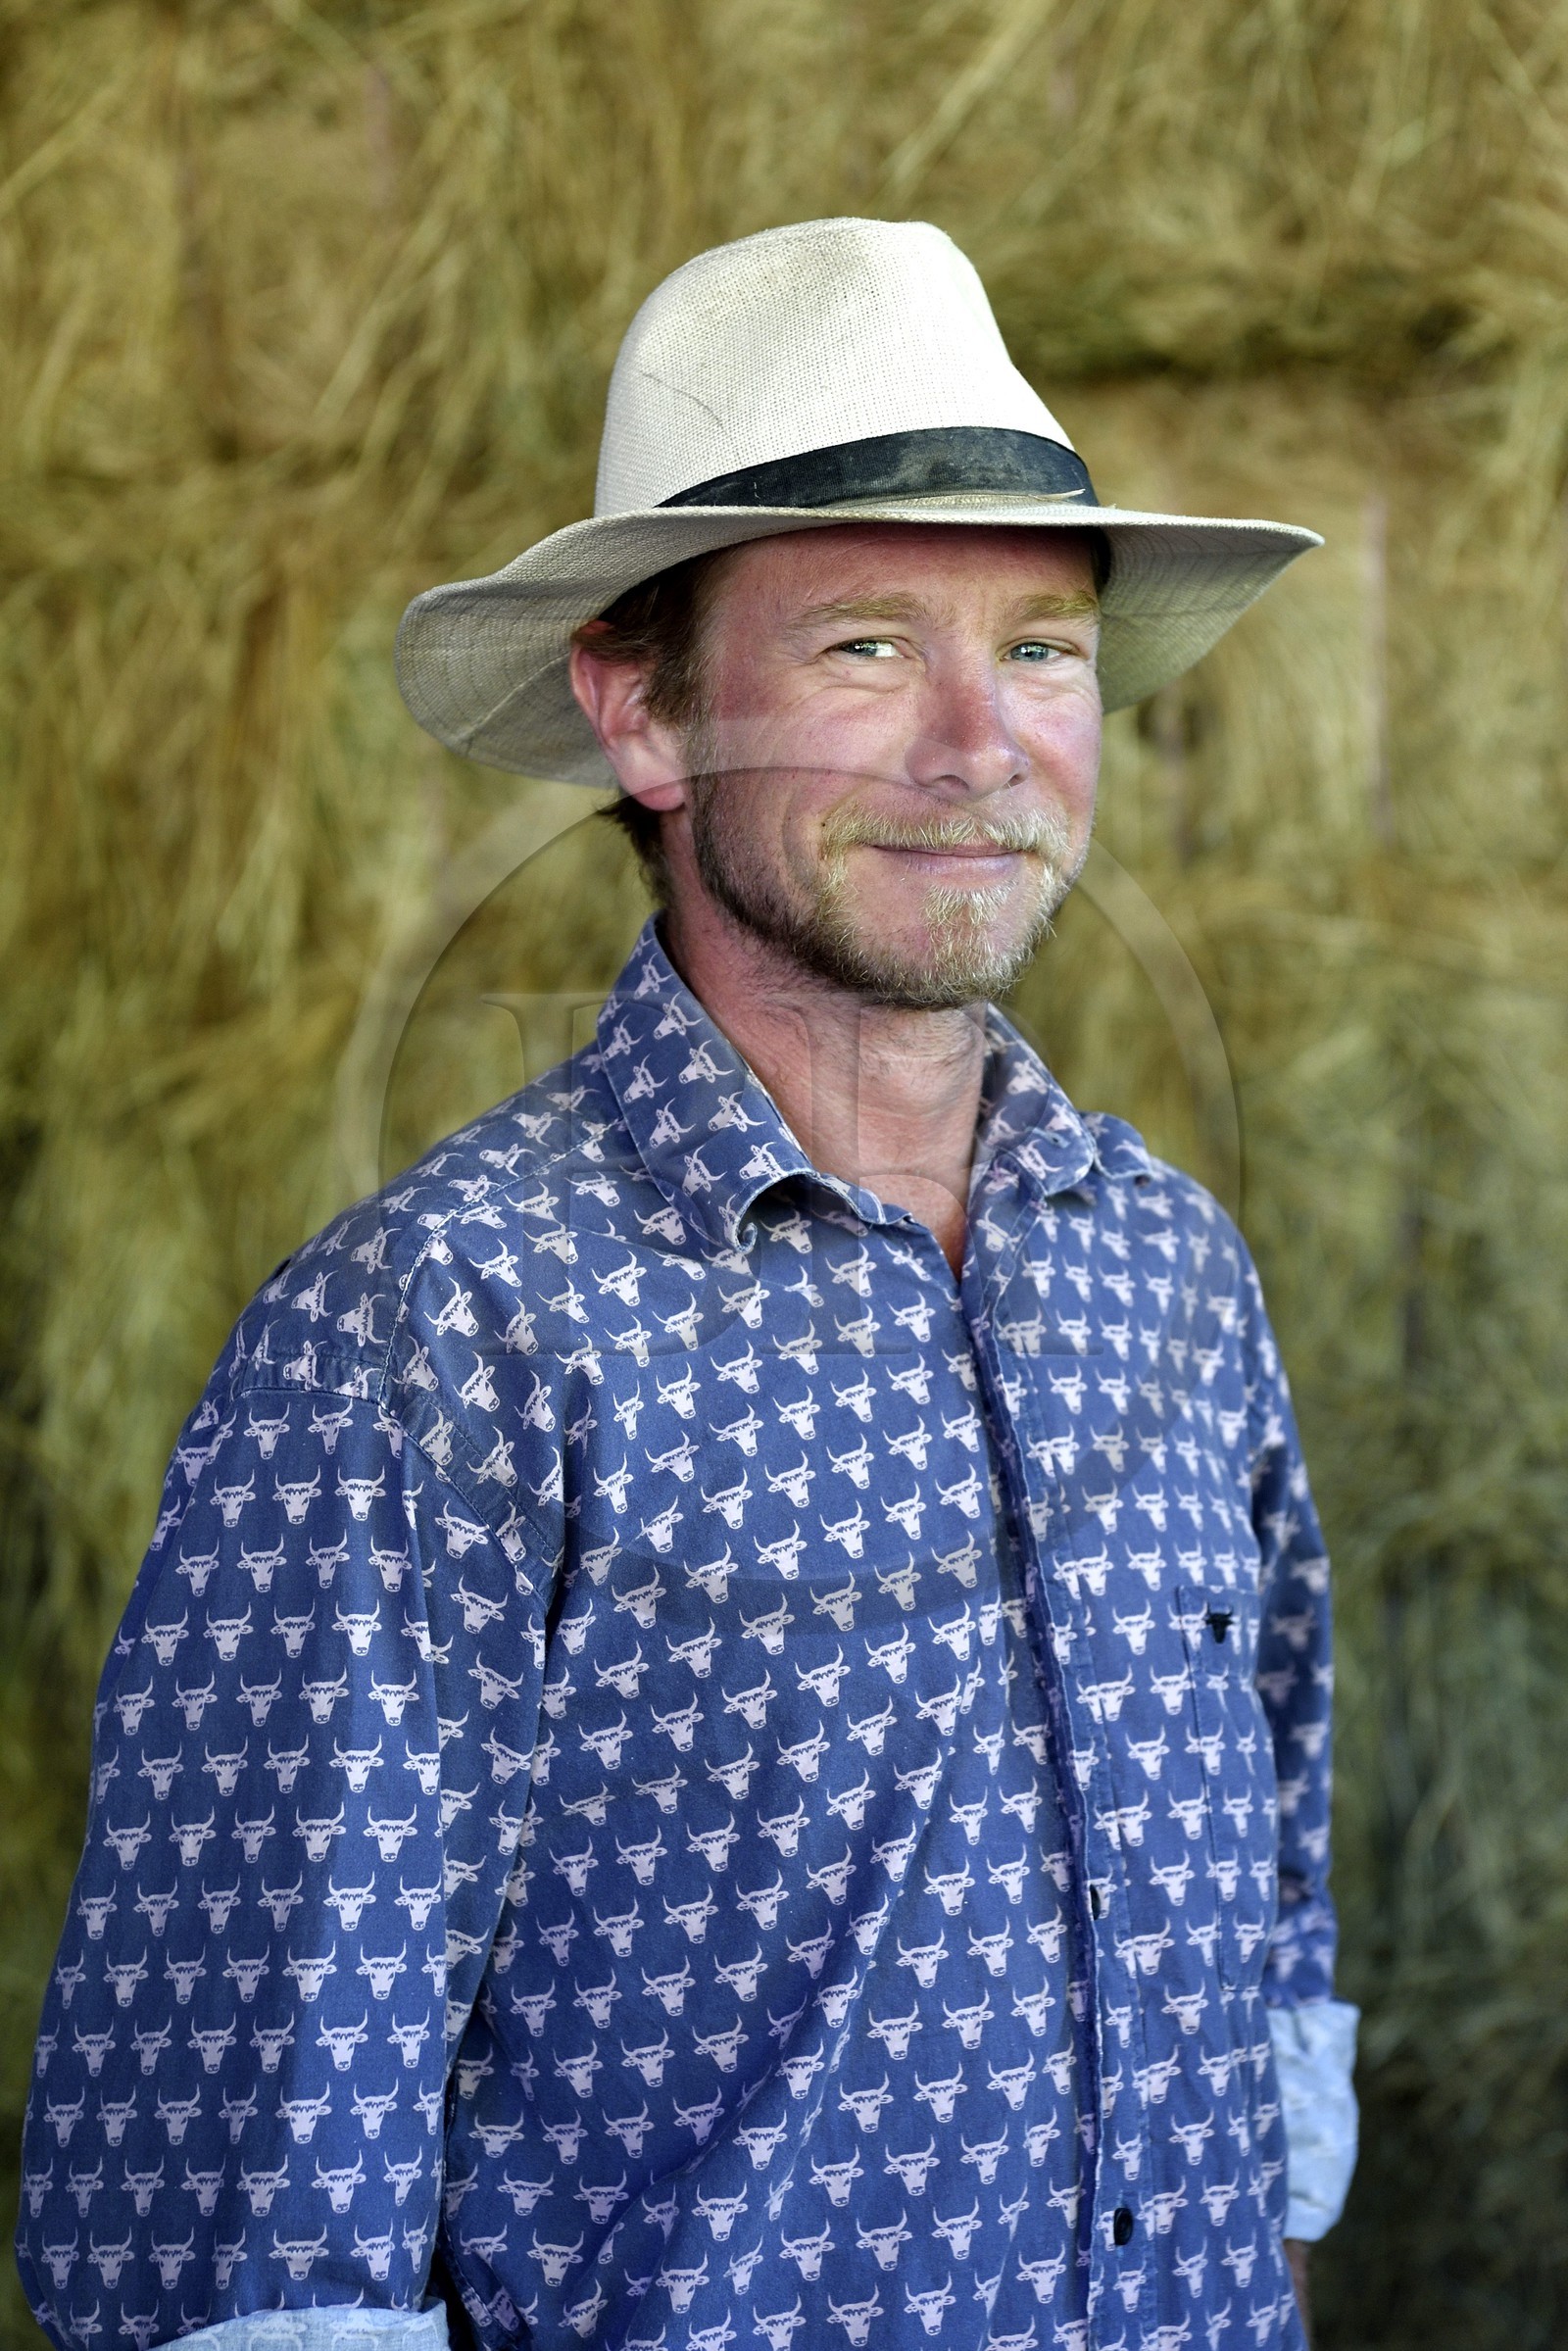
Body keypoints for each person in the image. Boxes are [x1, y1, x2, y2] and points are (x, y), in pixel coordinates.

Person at [18, 219, 1359, 2351]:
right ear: (641, 713)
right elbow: (234, 2215)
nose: (976, 743)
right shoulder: (436, 1335)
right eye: (856, 649)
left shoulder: (1165, 1275)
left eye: (1038, 647)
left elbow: (1266, 1934)